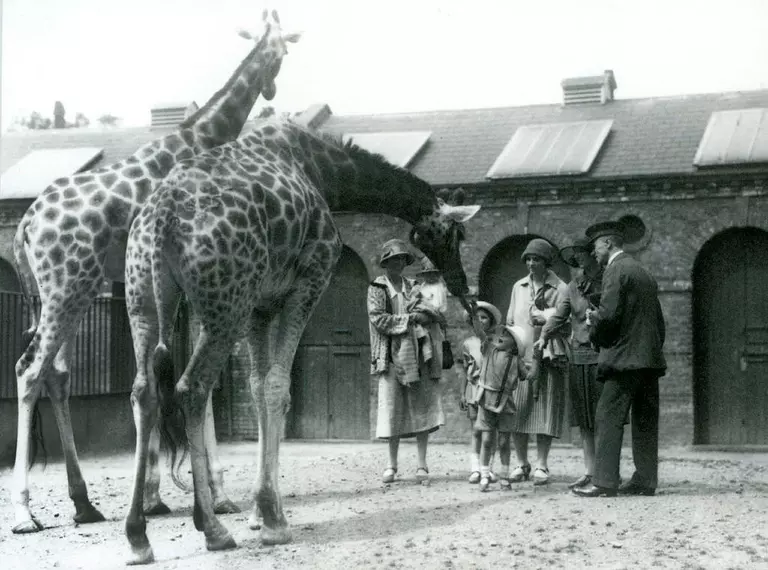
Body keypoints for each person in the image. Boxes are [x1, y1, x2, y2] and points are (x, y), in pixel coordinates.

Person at [573, 221, 667, 498]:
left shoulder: (615, 270)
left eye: (596, 248)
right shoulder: (643, 271)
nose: (595, 254)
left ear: (607, 244)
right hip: (649, 360)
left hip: (624, 360)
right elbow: (657, 322)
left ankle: (604, 482)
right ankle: (645, 480)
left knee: (607, 416)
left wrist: (594, 326)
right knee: (645, 421)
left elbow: (609, 315)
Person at [368, 239, 445, 485]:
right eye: (393, 259)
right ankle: (391, 465)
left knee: (421, 406)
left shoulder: (414, 286)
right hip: (390, 356)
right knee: (393, 410)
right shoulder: (376, 288)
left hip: (418, 355)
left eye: (402, 259)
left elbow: (432, 312)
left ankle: (422, 464)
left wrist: (423, 316)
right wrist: (410, 320)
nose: (398, 263)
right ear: (385, 263)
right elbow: (378, 319)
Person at [535, 237, 604, 490]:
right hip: (579, 355)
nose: (578, 263)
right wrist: (544, 336)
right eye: (575, 260)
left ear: (591, 256)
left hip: (603, 356)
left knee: (603, 417)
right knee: (584, 418)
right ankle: (590, 471)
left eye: (582, 256)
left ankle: (607, 472)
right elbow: (559, 315)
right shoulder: (573, 287)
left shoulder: (607, 281)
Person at [505, 238, 569, 485]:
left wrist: (545, 321)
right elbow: (511, 322)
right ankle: (521, 463)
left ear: (547, 262)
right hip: (521, 358)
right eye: (528, 259)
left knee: (546, 410)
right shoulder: (517, 287)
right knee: (518, 411)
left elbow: (564, 324)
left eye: (537, 259)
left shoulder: (560, 288)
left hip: (549, 357)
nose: (531, 264)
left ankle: (542, 465)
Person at [473, 322, 530, 491]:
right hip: (486, 399)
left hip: (506, 403)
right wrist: (474, 315)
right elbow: (479, 332)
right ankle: (484, 474)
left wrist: (538, 360)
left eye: (506, 336)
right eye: (501, 334)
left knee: (504, 441)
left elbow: (528, 376)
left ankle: (504, 476)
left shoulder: (516, 361)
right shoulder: (489, 349)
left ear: (515, 343)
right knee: (487, 439)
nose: (500, 337)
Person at [458, 301, 503, 484]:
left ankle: (488, 468)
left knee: (490, 431)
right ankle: (475, 468)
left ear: (490, 321)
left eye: (484, 318)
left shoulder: (497, 342)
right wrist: (462, 393)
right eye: (477, 318)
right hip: (473, 390)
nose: (481, 321)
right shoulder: (468, 344)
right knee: (476, 430)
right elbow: (464, 370)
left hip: (490, 391)